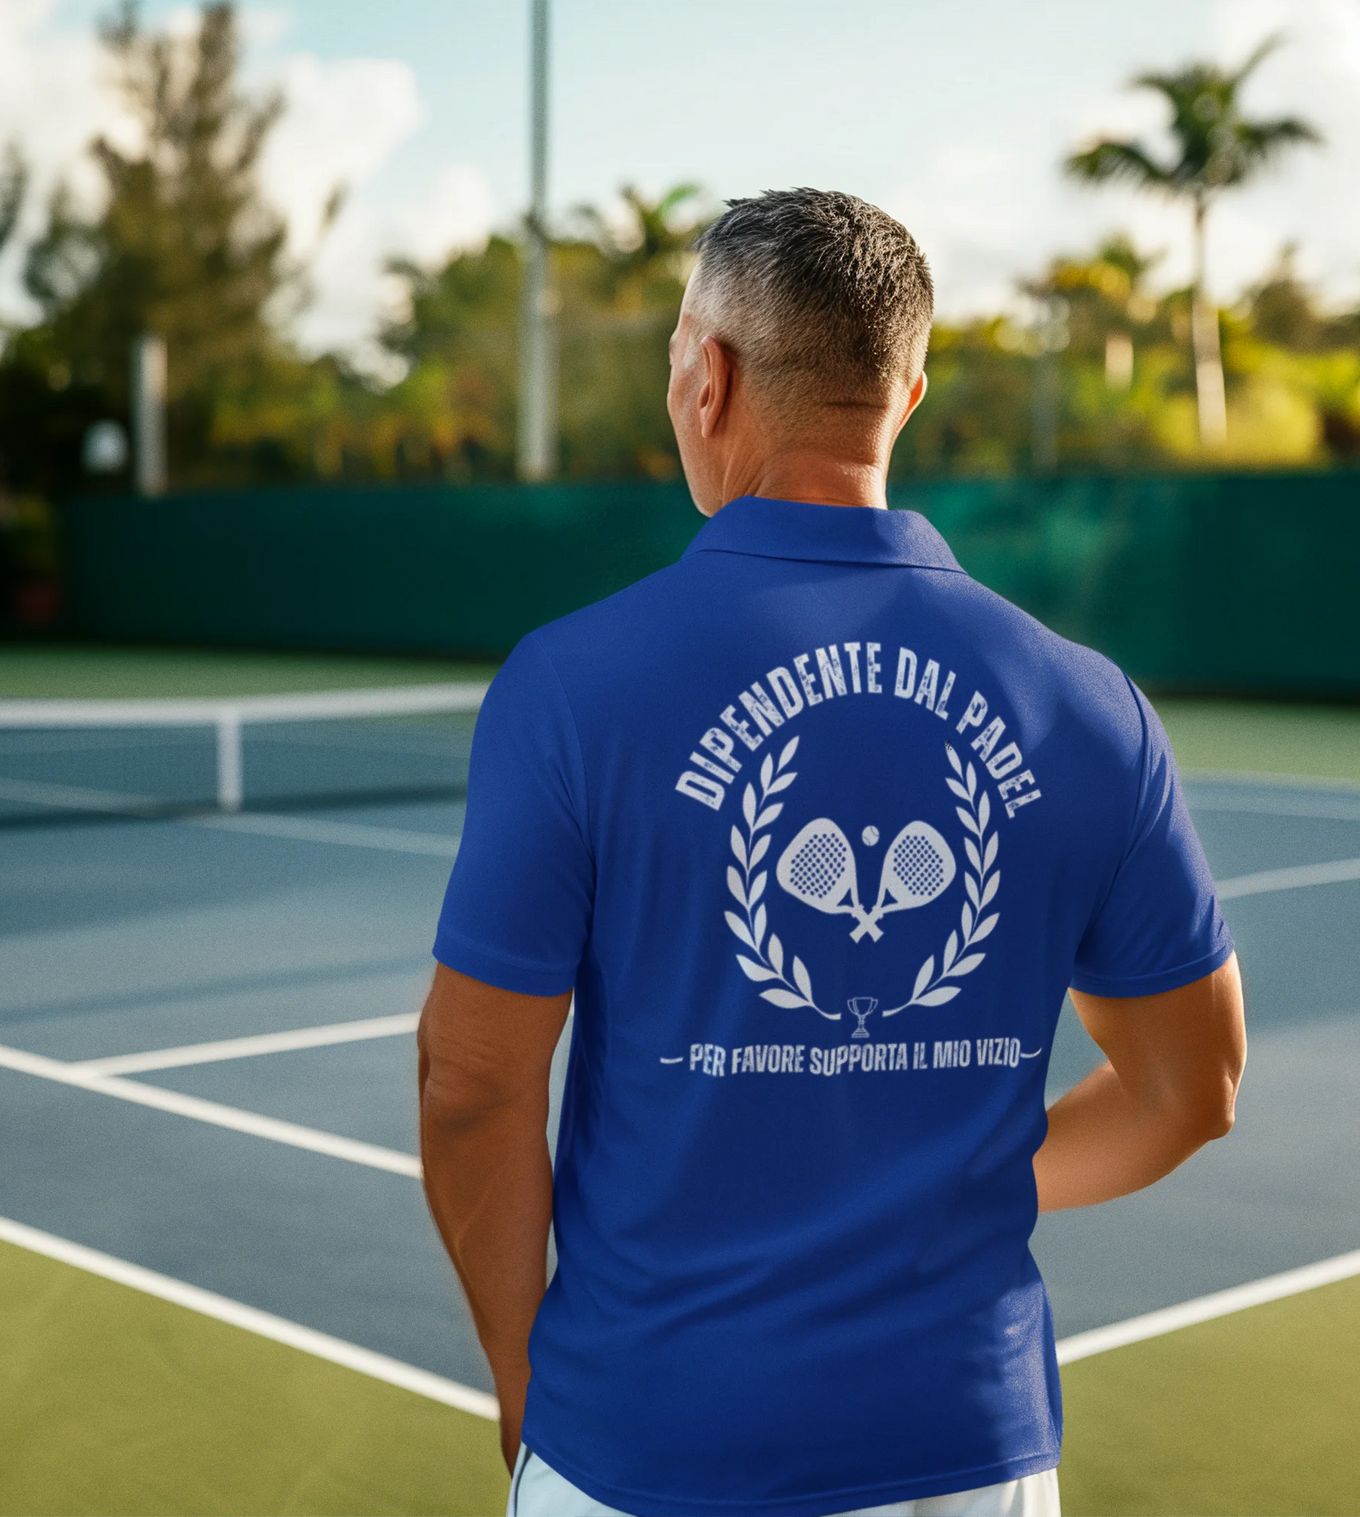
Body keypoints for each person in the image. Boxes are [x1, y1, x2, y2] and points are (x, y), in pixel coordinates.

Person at [418, 188, 1246, 1517]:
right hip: (970, 1454)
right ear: (904, 397)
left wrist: (529, 1383)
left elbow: (470, 1086)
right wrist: (940, 1169)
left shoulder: (568, 686)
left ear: (707, 373)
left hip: (643, 1443)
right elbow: (1188, 1093)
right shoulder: (1090, 706)